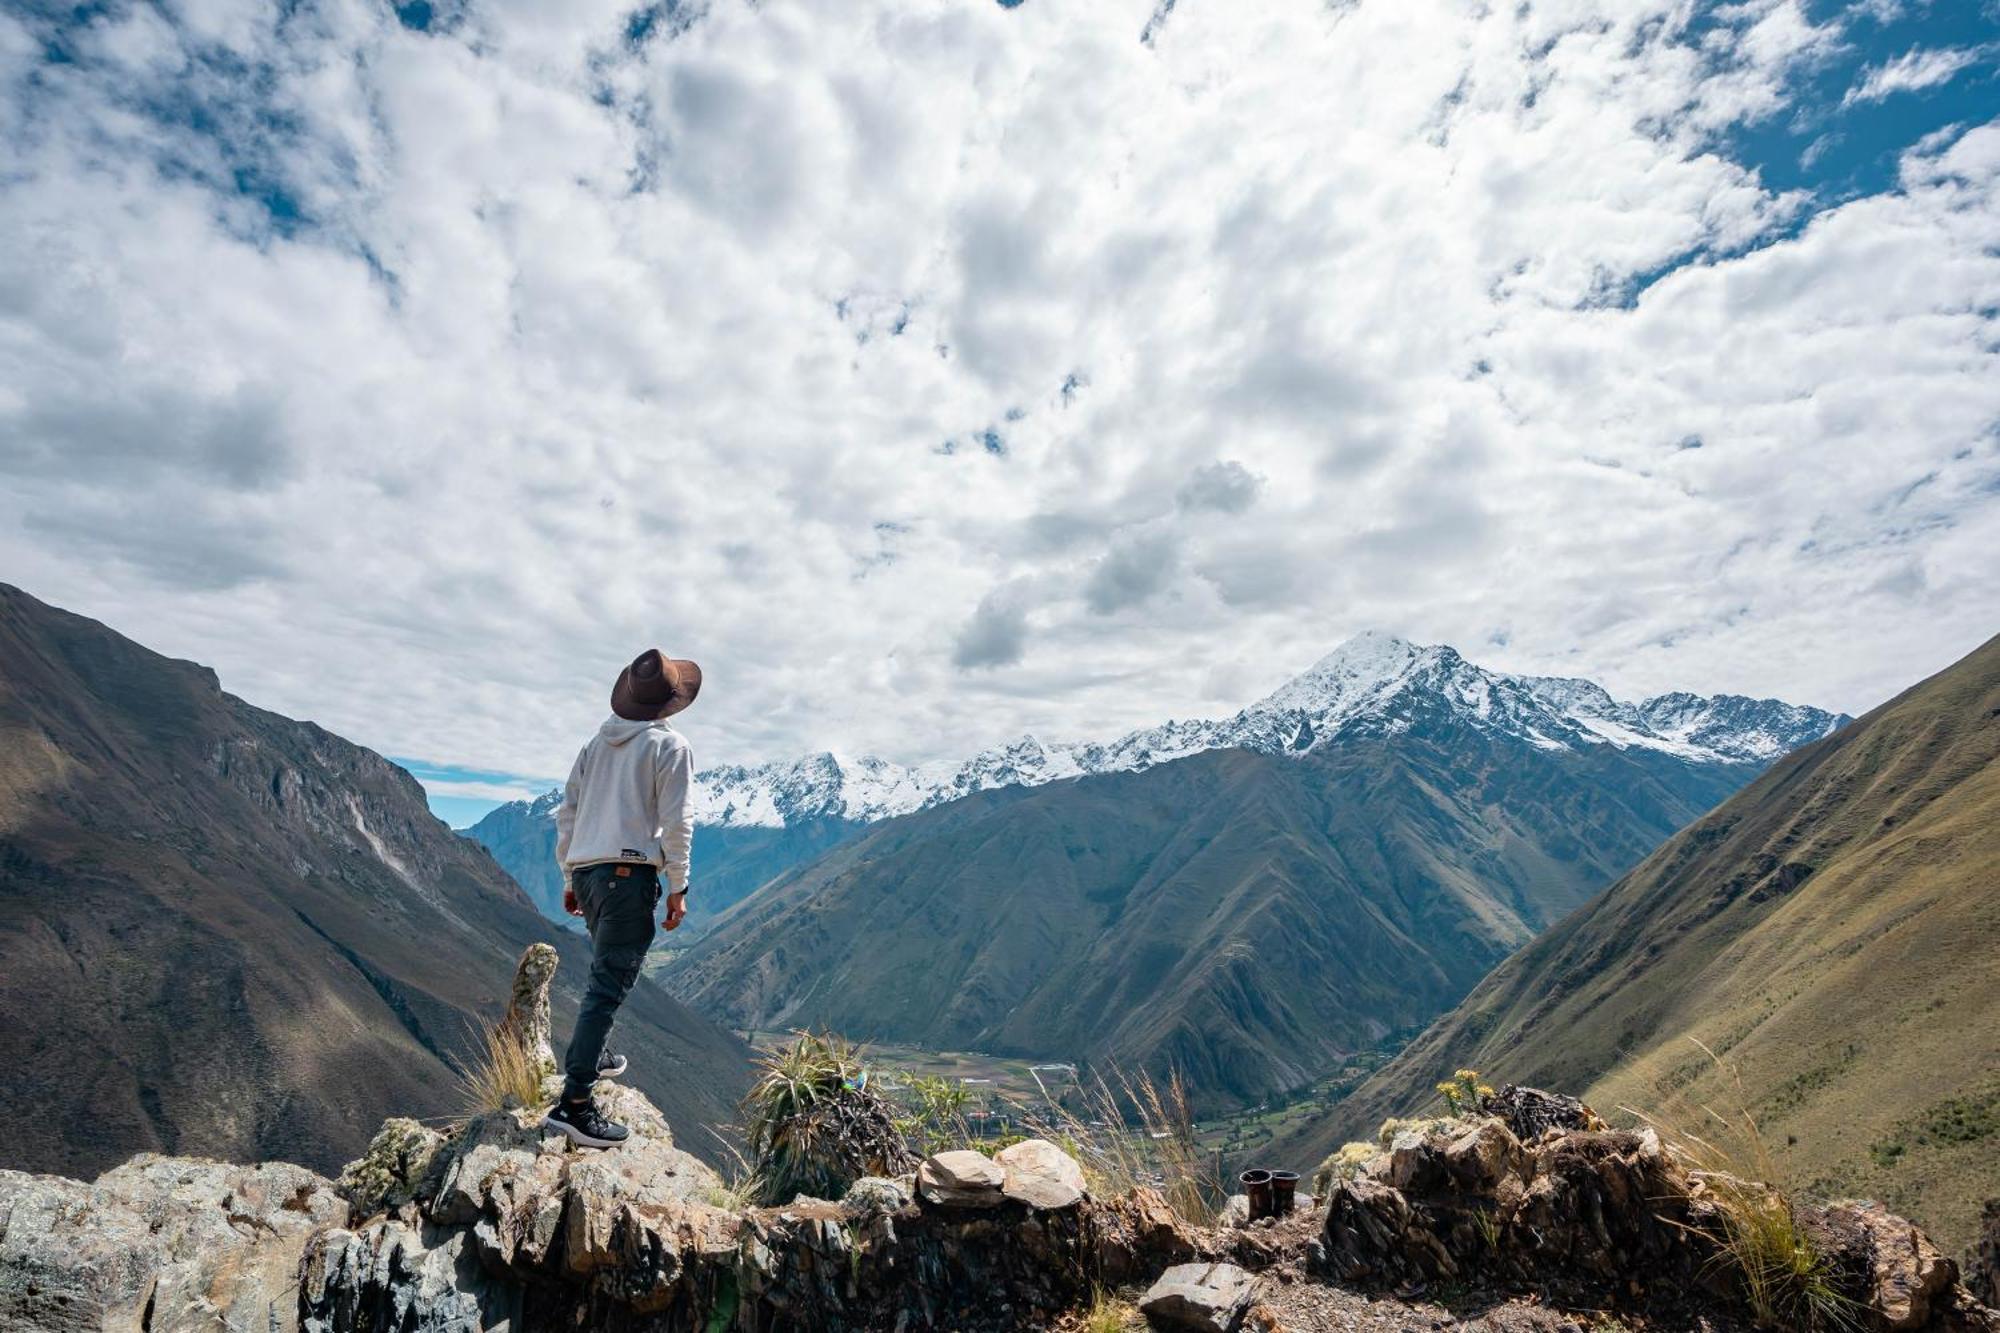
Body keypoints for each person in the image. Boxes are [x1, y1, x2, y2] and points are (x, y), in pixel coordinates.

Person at [541, 647, 700, 1148]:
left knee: (602, 974)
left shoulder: (594, 746)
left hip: (588, 874)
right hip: (629, 876)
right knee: (608, 986)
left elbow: (567, 813)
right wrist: (679, 885)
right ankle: (575, 1104)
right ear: (671, 702)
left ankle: (598, 1054)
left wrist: (570, 875)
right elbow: (677, 823)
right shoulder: (669, 748)